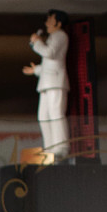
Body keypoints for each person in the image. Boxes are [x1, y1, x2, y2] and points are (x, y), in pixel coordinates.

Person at [23, 9, 71, 156]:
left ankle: (61, 146)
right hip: (47, 82)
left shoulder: (60, 36)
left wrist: (37, 42)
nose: (46, 23)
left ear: (58, 22)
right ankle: (50, 147)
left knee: (56, 114)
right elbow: (48, 63)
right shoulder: (52, 37)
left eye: (50, 20)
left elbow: (50, 53)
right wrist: (36, 70)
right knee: (43, 116)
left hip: (56, 81)